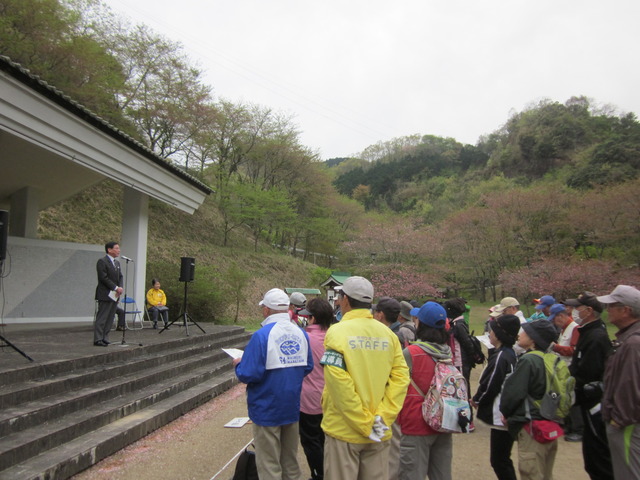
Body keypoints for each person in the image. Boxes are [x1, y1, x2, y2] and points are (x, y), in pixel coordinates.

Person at [321, 276, 409, 480]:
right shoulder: (387, 334)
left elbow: (338, 382)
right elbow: (401, 378)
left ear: (345, 299)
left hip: (344, 429)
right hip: (380, 429)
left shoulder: (337, 332)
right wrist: (382, 417)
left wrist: (363, 422)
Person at [233, 288, 313, 480]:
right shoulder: (301, 333)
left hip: (266, 406)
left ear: (267, 310)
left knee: (269, 464)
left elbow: (248, 373)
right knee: (290, 461)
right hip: (291, 405)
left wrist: (238, 365)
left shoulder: (261, 335)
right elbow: (308, 366)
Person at [397, 301, 453, 480]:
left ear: (420, 324)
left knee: (411, 474)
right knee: (442, 474)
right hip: (443, 420)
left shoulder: (412, 352)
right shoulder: (447, 352)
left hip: (415, 423)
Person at [500, 320, 560, 480]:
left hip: (531, 425)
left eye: (525, 332)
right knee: (546, 473)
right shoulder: (552, 358)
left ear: (534, 339)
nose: (520, 334)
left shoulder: (529, 360)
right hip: (549, 421)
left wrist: (506, 412)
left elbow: (513, 393)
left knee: (531, 473)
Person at [563, 292, 613, 480]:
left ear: (589, 311)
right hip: (586, 401)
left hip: (594, 403)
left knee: (598, 460)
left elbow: (590, 371)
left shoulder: (596, 336)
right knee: (591, 460)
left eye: (578, 308)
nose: (574, 312)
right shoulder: (588, 332)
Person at [597, 285, 640, 480]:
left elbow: (629, 386)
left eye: (612, 306)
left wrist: (618, 420)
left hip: (627, 424)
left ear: (626, 310)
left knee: (628, 474)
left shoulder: (633, 344)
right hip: (628, 421)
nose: (608, 310)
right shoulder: (629, 339)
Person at [471, 314, 520, 480]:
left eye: (491, 331)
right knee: (501, 458)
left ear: (499, 334)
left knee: (499, 459)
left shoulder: (501, 356)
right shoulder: (509, 353)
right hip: (505, 411)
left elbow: (491, 383)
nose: (489, 334)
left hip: (501, 412)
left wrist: (477, 399)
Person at [298, 298, 334, 480]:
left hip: (309, 398)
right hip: (333, 397)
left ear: (312, 318)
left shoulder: (304, 338)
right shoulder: (334, 337)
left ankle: (319, 474)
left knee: (311, 440)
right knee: (327, 439)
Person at [94, 241, 123, 346]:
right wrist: (115, 287)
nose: (118, 250)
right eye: (116, 248)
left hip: (114, 295)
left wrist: (120, 287)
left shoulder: (117, 263)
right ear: (109, 249)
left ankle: (105, 337)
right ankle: (98, 338)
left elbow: (120, 276)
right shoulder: (102, 261)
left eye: (119, 248)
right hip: (105, 294)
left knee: (110, 317)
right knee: (102, 317)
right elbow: (103, 277)